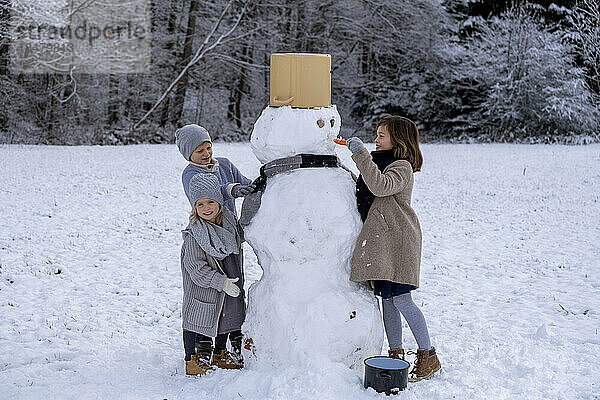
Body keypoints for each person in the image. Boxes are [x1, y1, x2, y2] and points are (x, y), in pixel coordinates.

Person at [345, 116, 441, 382]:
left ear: (398, 140)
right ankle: (395, 355)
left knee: (402, 300)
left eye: (382, 136)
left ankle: (428, 355)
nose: (376, 140)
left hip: (399, 242)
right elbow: (366, 184)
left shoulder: (402, 167)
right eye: (376, 134)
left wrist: (361, 154)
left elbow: (380, 186)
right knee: (387, 301)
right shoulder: (379, 163)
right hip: (383, 243)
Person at [180, 173, 246, 376]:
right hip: (206, 288)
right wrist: (222, 282)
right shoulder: (195, 235)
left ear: (219, 201)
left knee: (228, 318)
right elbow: (196, 269)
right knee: (199, 321)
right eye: (200, 205)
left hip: (231, 282)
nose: (206, 208)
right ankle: (192, 360)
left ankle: (220, 352)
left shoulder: (230, 221)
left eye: (210, 202)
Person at [175, 124, 255, 216]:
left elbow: (247, 184)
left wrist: (263, 178)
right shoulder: (190, 175)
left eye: (209, 148)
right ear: (188, 154)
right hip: (208, 226)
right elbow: (208, 195)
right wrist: (231, 190)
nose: (207, 153)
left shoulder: (225, 164)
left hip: (231, 224)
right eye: (200, 151)